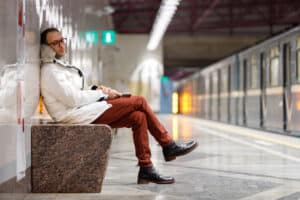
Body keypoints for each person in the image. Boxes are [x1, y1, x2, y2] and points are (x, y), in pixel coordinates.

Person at [40, 28, 198, 184]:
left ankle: (146, 169)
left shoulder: (59, 66)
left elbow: (76, 93)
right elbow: (73, 99)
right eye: (55, 43)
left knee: (139, 117)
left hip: (83, 111)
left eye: (62, 40)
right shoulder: (50, 71)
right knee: (140, 101)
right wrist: (104, 95)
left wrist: (96, 89)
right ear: (46, 48)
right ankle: (168, 144)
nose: (61, 45)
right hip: (74, 116)